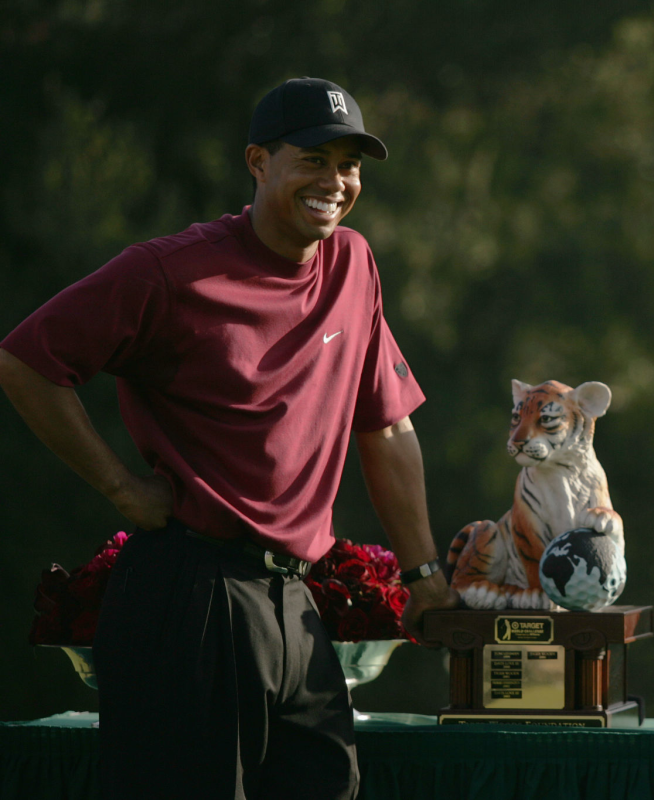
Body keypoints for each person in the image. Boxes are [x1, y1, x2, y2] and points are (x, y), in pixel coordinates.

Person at [0, 77, 459, 799]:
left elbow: (388, 422)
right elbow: (27, 360)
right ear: (257, 161)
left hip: (294, 604)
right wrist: (121, 487)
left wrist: (423, 575)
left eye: (350, 164)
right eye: (312, 159)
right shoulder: (172, 271)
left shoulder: (353, 264)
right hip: (187, 597)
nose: (334, 182)